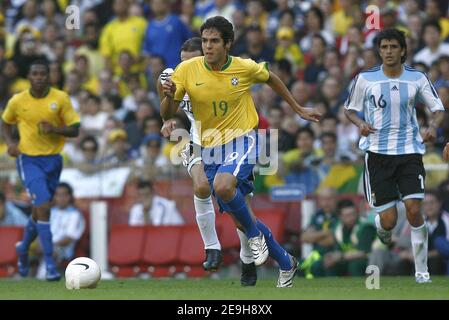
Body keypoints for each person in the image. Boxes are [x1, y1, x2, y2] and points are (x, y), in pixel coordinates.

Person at [161, 16, 321, 287]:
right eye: (205, 41)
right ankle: (285, 260)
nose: (208, 46)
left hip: (243, 139)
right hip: (209, 145)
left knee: (223, 187)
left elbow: (272, 78)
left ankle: (250, 240)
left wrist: (297, 108)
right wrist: (168, 96)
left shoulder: (244, 67)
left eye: (214, 41)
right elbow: (167, 113)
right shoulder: (186, 70)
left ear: (227, 44)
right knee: (241, 214)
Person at [344, 28, 445, 283]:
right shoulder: (365, 79)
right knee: (389, 221)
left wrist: (433, 127)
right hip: (377, 155)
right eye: (384, 47)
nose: (388, 52)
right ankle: (382, 227)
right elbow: (350, 110)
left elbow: (438, 109)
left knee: (413, 210)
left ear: (402, 50)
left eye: (393, 47)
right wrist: (360, 124)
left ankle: (422, 273)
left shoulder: (417, 78)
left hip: (409, 152)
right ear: (379, 51)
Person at [158, 37, 258, 286]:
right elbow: (167, 105)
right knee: (201, 185)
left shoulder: (222, 76)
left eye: (190, 62)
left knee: (240, 210)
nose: (185, 68)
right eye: (181, 63)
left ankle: (247, 259)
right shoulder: (173, 75)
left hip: (232, 141)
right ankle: (212, 248)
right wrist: (166, 120)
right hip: (196, 139)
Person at [1, 59, 80, 281]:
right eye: (34, 74)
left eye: (42, 74)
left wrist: (54, 128)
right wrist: (10, 143)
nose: (38, 77)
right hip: (28, 159)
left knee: (39, 210)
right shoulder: (18, 101)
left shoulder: (60, 98)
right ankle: (50, 264)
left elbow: (75, 130)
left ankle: (23, 247)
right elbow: (5, 122)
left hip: (54, 160)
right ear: (29, 77)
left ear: (49, 76)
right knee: (44, 206)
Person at [35, 182, 85, 278]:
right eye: (57, 195)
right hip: (46, 247)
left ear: (70, 197)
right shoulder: (50, 212)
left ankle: (42, 278)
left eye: (64, 195)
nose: (61, 198)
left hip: (63, 250)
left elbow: (69, 239)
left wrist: (48, 246)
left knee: (50, 253)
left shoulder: (75, 215)